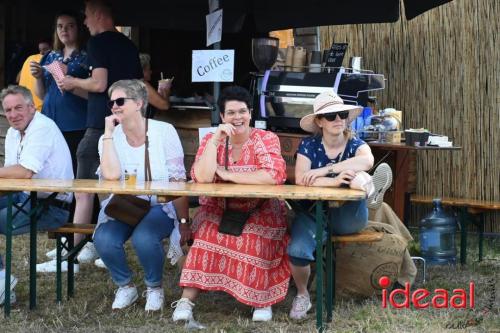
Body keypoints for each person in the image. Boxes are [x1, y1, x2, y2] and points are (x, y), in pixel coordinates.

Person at [171, 86, 290, 323]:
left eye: (242, 112)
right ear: (222, 117)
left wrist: (229, 175)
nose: (238, 117)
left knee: (254, 238)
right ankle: (186, 300)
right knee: (205, 236)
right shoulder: (210, 140)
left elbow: (273, 176)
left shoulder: (265, 139)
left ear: (250, 113)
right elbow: (202, 177)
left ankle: (261, 300)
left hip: (260, 210)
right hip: (219, 210)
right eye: (231, 113)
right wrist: (216, 141)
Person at [56, 0, 143, 268]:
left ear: (99, 15)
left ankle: (71, 254)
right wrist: (77, 88)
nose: (84, 22)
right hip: (127, 122)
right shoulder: (129, 45)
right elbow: (119, 87)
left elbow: (100, 83)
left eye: (86, 16)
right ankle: (100, 243)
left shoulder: (97, 44)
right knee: (114, 189)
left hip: (99, 125)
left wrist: (71, 81)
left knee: (83, 189)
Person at [92, 79, 190, 311]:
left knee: (143, 238)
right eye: (111, 102)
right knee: (103, 239)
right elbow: (111, 176)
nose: (114, 106)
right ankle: (125, 286)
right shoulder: (108, 138)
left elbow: (178, 182)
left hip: (159, 205)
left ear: (139, 103)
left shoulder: (163, 132)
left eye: (120, 101)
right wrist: (107, 133)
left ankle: (154, 287)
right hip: (126, 205)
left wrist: (184, 220)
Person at [286, 90, 377, 320]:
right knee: (297, 250)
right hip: (312, 213)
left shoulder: (355, 142)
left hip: (347, 216)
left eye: (342, 114)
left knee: (357, 176)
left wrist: (324, 171)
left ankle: (370, 189)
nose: (338, 119)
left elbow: (367, 160)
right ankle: (303, 295)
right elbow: (301, 178)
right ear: (319, 121)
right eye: (331, 116)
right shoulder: (308, 145)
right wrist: (336, 181)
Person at [0, 85, 73, 305]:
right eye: (8, 110)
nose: (13, 115)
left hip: (52, 206)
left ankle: (2, 281)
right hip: (26, 198)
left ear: (32, 107)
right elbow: (10, 177)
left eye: (18, 108)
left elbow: (24, 171)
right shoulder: (14, 132)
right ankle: (2, 282)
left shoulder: (42, 127)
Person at [30, 11, 88, 173]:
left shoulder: (87, 56)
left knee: (76, 171)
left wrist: (72, 83)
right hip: (50, 121)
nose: (64, 30)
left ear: (79, 29)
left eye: (70, 26)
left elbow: (97, 91)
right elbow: (41, 95)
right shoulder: (50, 56)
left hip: (75, 123)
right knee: (52, 170)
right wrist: (38, 77)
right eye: (60, 26)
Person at [17, 38, 53, 111]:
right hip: (40, 109)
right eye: (40, 50)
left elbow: (17, 79)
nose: (42, 53)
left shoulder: (29, 58)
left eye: (45, 49)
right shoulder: (51, 60)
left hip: (24, 105)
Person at [139, 53, 170, 117]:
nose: (151, 72)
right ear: (143, 70)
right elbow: (165, 106)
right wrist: (166, 90)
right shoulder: (141, 84)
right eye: (149, 69)